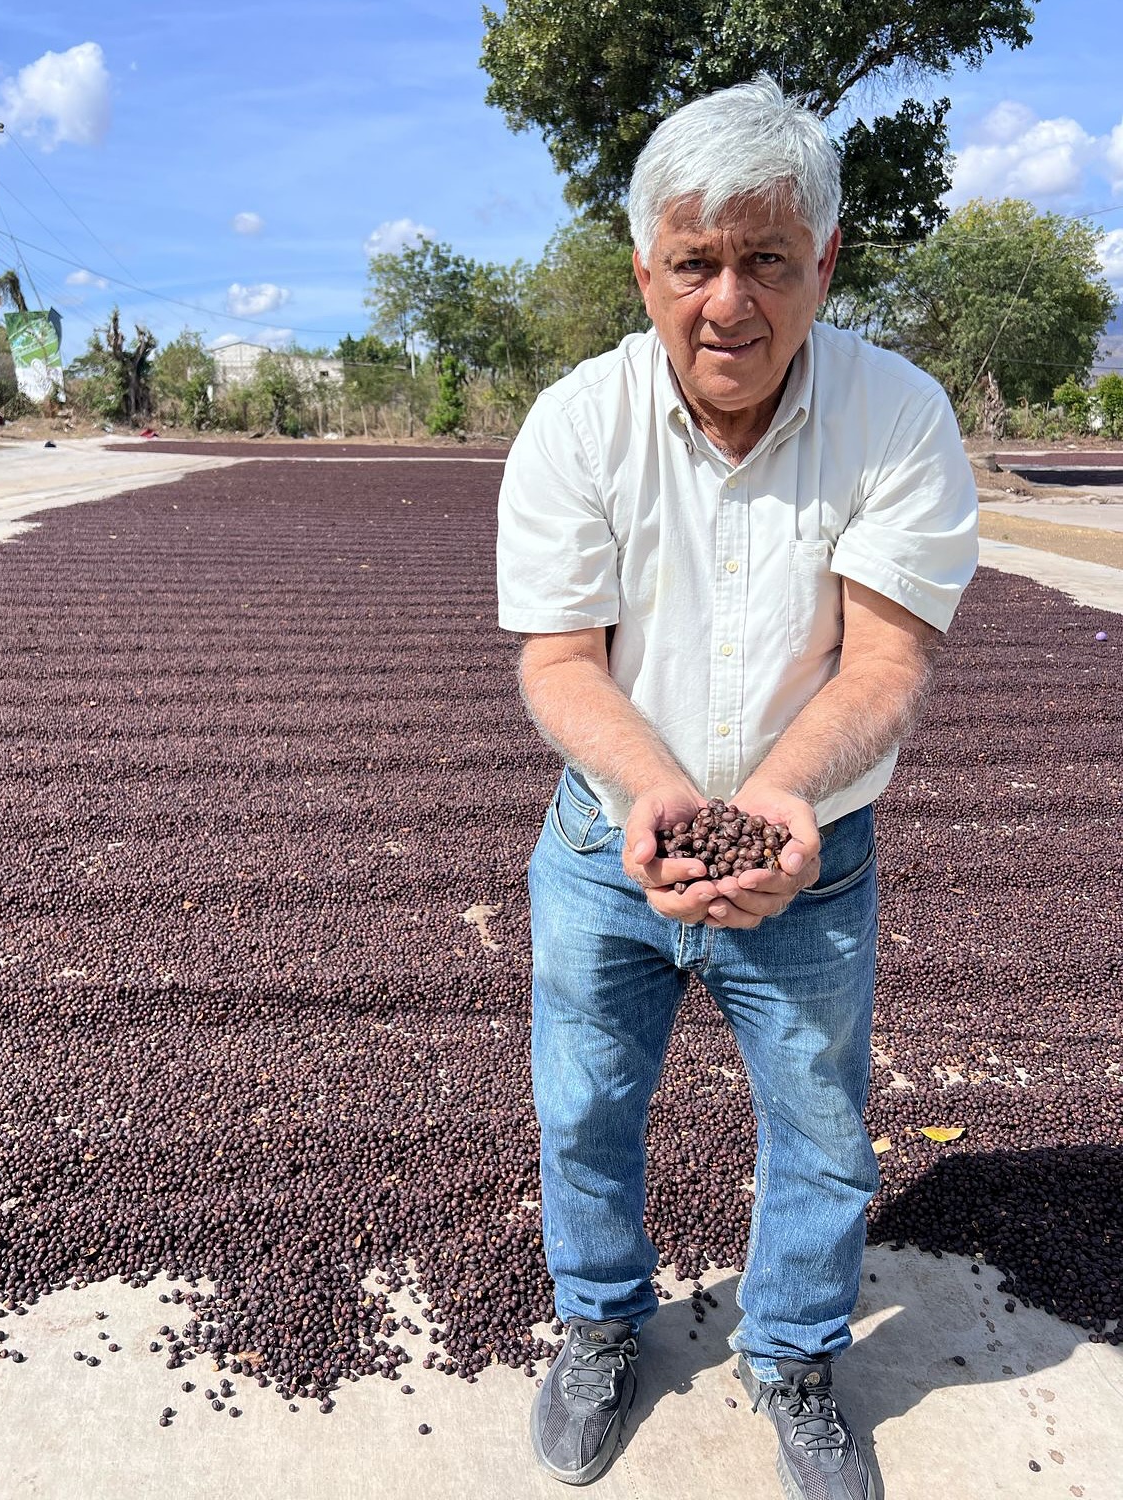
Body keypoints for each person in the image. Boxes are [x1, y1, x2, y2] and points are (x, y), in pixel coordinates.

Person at [495, 76, 978, 1500]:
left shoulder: (898, 416)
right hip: (604, 843)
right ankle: (601, 1323)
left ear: (824, 262)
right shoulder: (577, 423)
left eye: (767, 259)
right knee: (583, 1107)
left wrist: (775, 803)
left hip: (812, 858)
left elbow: (886, 661)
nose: (729, 302)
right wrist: (655, 794)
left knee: (821, 1130)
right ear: (643, 271)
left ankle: (795, 1355)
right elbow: (560, 661)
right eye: (695, 262)